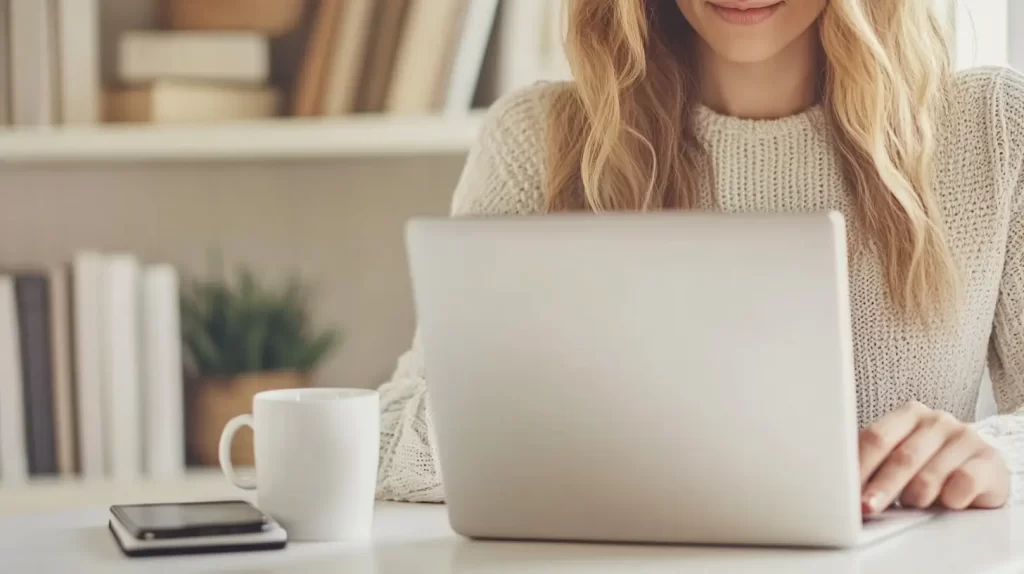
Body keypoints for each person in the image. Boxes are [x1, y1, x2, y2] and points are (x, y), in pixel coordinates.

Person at [377, 0, 1024, 514]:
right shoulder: (539, 139)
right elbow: (386, 444)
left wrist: (990, 455)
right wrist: (535, 388)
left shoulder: (991, 126)